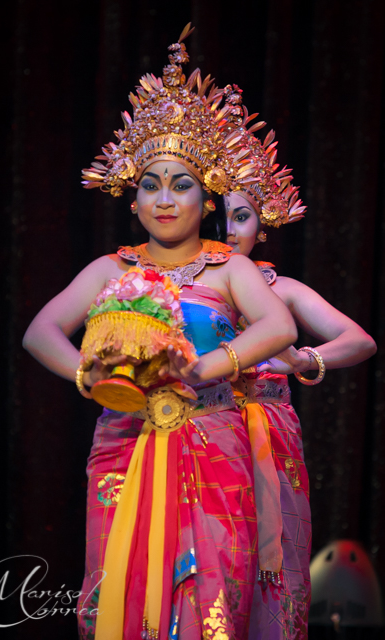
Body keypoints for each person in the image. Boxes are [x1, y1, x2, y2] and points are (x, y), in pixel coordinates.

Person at [23, 26, 299, 640]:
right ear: (133, 200)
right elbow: (39, 331)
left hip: (213, 439)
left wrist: (204, 368)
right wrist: (88, 377)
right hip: (128, 438)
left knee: (213, 595)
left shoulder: (229, 267)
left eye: (182, 186)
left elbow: (280, 326)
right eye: (151, 185)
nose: (164, 200)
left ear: (206, 200)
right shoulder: (111, 269)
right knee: (123, 587)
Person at [223, 93, 377, 639]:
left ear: (260, 225)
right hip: (195, 435)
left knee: (270, 566)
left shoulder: (278, 290)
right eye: (217, 215)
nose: (228, 229)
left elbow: (359, 341)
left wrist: (298, 360)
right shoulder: (176, 290)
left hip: (265, 435)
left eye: (240, 216)